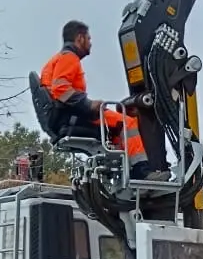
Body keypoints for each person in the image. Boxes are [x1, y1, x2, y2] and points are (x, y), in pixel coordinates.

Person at [39, 21, 169, 179]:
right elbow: (60, 89)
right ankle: (141, 173)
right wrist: (89, 105)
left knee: (115, 129)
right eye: (88, 38)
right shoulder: (69, 58)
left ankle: (127, 171)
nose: (90, 43)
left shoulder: (55, 60)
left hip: (63, 117)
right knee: (128, 123)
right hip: (73, 116)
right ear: (79, 38)